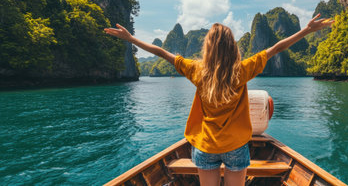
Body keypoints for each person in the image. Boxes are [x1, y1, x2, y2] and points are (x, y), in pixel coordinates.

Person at [104, 13, 333, 186]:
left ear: (208, 47)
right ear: (232, 46)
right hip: (235, 145)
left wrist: (130, 38)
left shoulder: (197, 70)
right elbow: (275, 48)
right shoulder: (242, 71)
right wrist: (306, 31)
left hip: (205, 146)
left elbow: (162, 53)